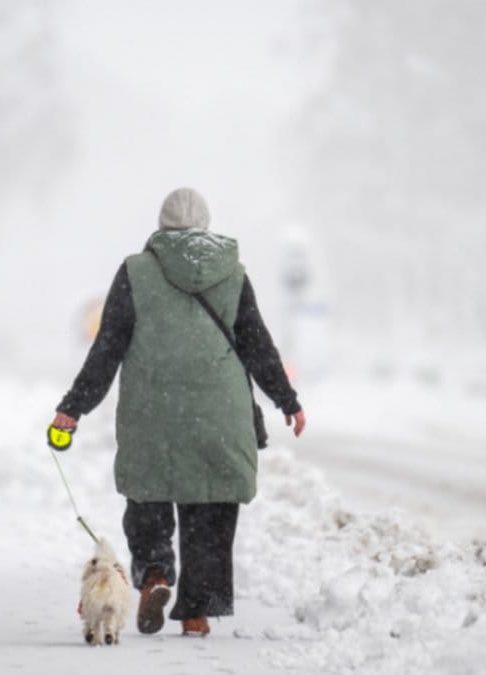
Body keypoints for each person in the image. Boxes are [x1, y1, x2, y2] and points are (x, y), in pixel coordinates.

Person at [50, 187, 305, 637]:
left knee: (148, 494)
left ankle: (155, 575)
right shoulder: (233, 274)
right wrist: (287, 400)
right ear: (205, 225)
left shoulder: (135, 273)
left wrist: (74, 407)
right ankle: (196, 612)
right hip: (219, 412)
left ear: (161, 225)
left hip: (153, 408)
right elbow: (256, 343)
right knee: (210, 508)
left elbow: (107, 348)